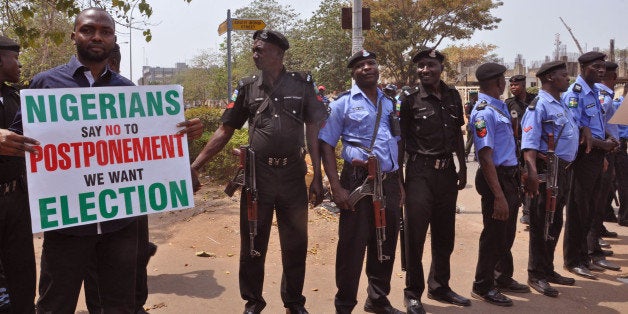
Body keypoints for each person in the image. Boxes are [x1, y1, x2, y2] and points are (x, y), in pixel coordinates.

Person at [30, 8, 202, 313]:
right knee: (55, 305)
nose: (97, 36)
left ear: (113, 38)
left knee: (119, 306)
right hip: (67, 226)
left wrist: (179, 136)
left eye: (105, 31)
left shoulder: (127, 91)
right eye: (89, 29)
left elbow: (147, 149)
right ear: (74, 35)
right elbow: (22, 141)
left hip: (118, 227)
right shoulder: (45, 84)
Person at [190, 29, 325, 314]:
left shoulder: (302, 84)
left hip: (292, 176)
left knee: (296, 242)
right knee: (252, 240)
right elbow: (226, 129)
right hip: (257, 178)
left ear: (278, 53)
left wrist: (318, 176)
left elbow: (313, 128)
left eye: (260, 49)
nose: (255, 54)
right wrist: (196, 165)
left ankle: (294, 302)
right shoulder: (247, 86)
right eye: (254, 49)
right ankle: (253, 301)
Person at [319, 50, 403, 314]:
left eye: (372, 63)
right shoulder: (342, 103)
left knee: (385, 241)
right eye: (361, 65)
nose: (368, 68)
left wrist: (399, 183)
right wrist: (336, 186)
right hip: (356, 180)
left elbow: (396, 144)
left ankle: (377, 299)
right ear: (353, 72)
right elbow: (326, 144)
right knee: (352, 246)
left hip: (388, 181)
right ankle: (344, 305)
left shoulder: (389, 102)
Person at [84, 41, 160, 314]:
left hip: (118, 194)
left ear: (111, 63)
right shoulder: (128, 92)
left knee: (125, 255)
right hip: (126, 194)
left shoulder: (126, 91)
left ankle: (128, 305)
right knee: (124, 256)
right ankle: (131, 304)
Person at [399, 49, 469, 313]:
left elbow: (457, 134)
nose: (424, 70)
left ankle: (440, 286)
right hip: (419, 173)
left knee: (444, 234)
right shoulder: (409, 99)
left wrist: (462, 166)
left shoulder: (452, 96)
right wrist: (400, 180)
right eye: (420, 66)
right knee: (415, 237)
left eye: (430, 65)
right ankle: (412, 293)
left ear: (441, 67)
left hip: (446, 173)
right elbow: (401, 141)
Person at [470, 62, 530, 307]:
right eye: (504, 79)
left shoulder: (499, 107)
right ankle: (482, 285)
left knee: (505, 234)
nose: (506, 83)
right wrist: (498, 196)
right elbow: (485, 156)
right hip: (494, 178)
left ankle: (501, 276)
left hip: (508, 175)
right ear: (498, 83)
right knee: (493, 234)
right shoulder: (484, 112)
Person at [520, 61, 577, 297]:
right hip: (546, 170)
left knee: (554, 222)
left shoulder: (560, 104)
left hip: (562, 169)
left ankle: (548, 268)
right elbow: (529, 145)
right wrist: (532, 173)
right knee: (542, 221)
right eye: (564, 75)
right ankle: (536, 273)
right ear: (551, 78)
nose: (568, 79)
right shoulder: (538, 106)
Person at [561, 51, 618, 280]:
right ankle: (573, 260)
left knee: (590, 209)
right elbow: (578, 134)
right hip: (581, 158)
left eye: (603, 67)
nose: (601, 70)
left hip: (595, 156)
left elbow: (594, 129)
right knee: (577, 210)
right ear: (583, 67)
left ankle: (584, 257)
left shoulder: (594, 92)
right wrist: (604, 144)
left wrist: (603, 150)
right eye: (596, 66)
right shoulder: (575, 94)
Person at [0, 35, 39, 314]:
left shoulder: (16, 98)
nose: (20, 63)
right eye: (15, 57)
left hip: (16, 199)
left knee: (22, 271)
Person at [587, 61, 621, 271]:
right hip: (601, 152)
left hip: (609, 150)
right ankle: (591, 246)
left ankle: (594, 242)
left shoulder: (606, 96)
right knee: (594, 203)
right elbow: (592, 127)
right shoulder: (601, 96)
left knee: (600, 202)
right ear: (614, 77)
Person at [506, 75, 536, 226]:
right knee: (523, 177)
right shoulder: (509, 103)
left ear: (524, 85)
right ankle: (527, 211)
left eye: (516, 85)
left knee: (534, 176)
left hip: (534, 146)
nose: (513, 87)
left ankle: (533, 211)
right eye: (511, 85)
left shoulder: (535, 100)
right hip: (518, 146)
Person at [464, 91, 479, 160]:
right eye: (476, 95)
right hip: (471, 124)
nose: (478, 96)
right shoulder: (468, 104)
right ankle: (466, 154)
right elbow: (467, 115)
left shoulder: (478, 104)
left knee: (478, 140)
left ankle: (476, 155)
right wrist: (475, 116)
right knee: (470, 141)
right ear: (473, 96)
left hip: (478, 124)